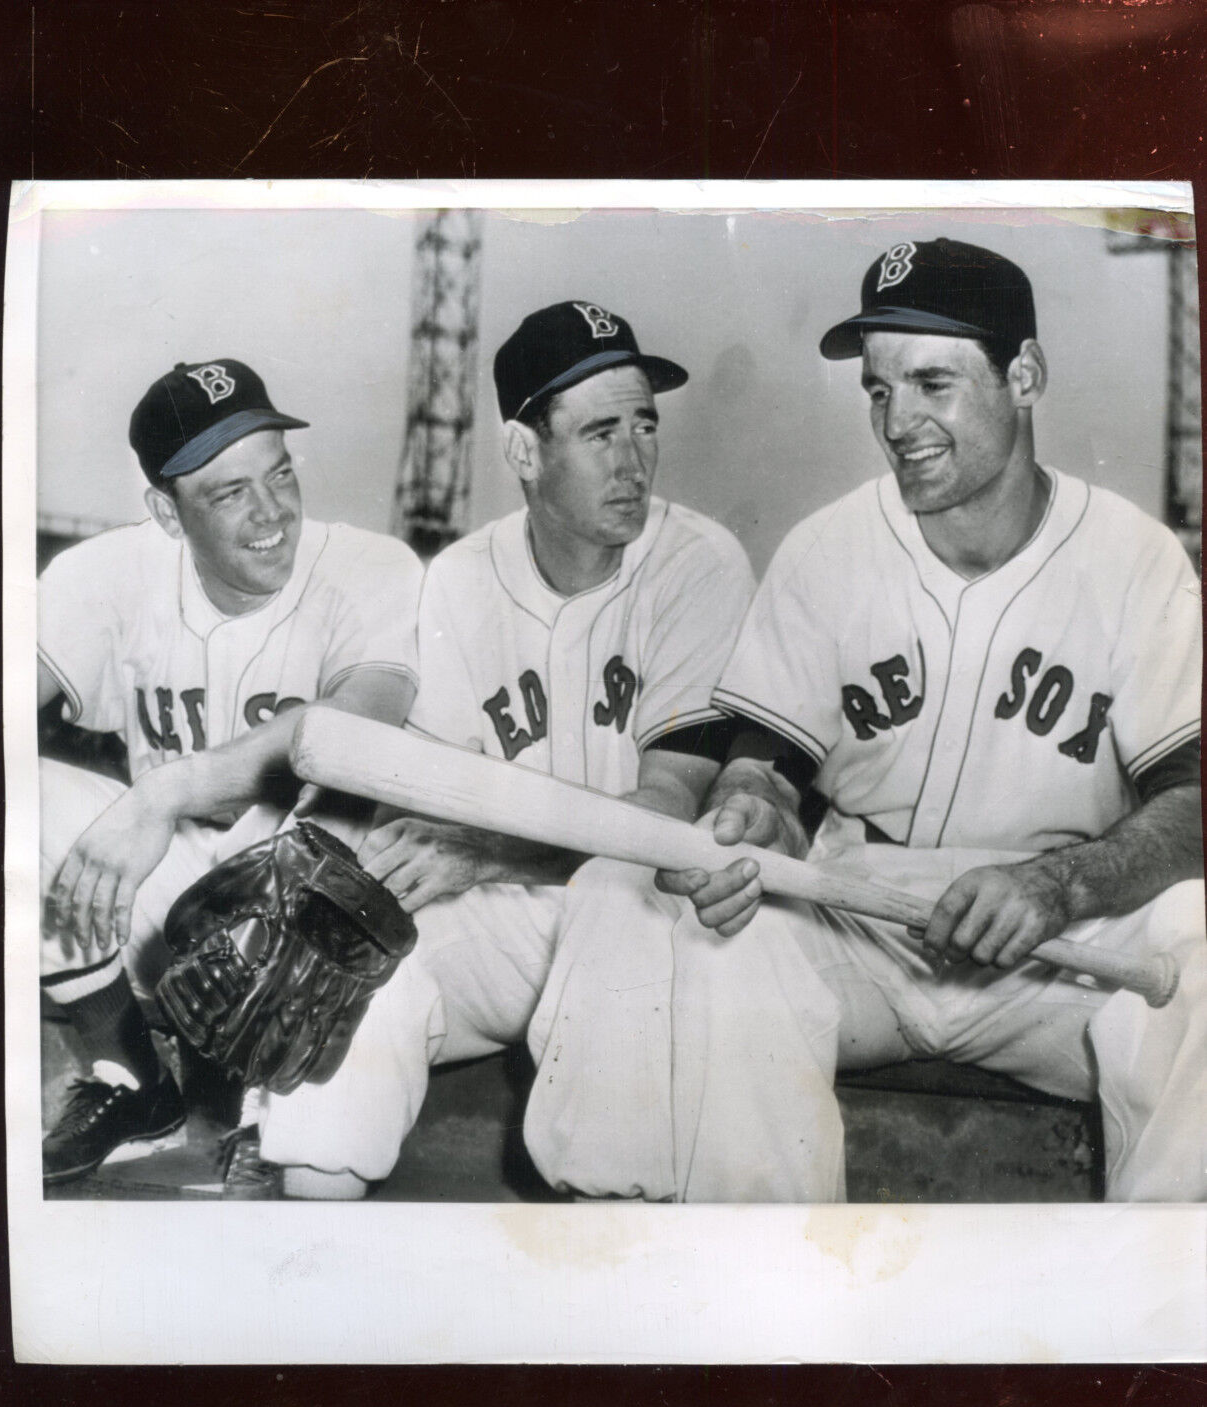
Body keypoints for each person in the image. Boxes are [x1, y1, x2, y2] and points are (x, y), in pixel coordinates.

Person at [639, 237, 1203, 1202]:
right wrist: (749, 814)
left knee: (1198, 932)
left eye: (932, 382)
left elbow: (1190, 805)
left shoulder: (1134, 561)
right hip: (864, 926)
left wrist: (1063, 884)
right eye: (878, 390)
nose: (898, 421)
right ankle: (765, 1307)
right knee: (712, 941)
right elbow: (760, 767)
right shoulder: (827, 549)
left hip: (1057, 954)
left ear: (1021, 374)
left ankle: (1152, 1309)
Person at [253, 300, 757, 1197]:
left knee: (617, 908)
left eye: (644, 424)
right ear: (525, 454)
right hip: (505, 911)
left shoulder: (698, 563)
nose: (635, 459)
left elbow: (665, 815)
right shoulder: (458, 579)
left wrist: (479, 851)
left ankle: (606, 1278)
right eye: (600, 431)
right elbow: (419, 798)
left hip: (648, 913)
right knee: (358, 965)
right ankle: (310, 1244)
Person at [39, 359, 422, 1189]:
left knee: (314, 841)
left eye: (279, 473)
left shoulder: (371, 566)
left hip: (315, 881)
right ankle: (132, 1082)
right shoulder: (103, 574)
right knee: (21, 800)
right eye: (229, 492)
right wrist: (149, 814)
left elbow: (359, 725)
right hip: (166, 878)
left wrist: (165, 790)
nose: (272, 513)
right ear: (165, 514)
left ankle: (265, 1120)